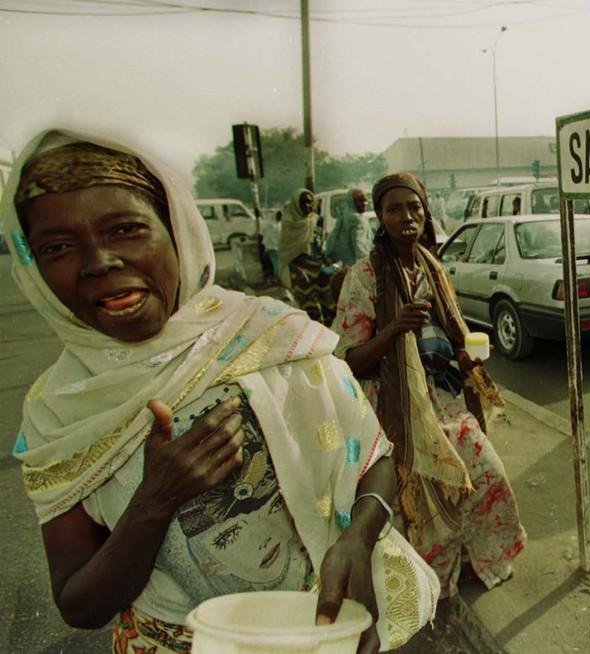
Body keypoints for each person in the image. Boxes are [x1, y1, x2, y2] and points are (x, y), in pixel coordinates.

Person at [3, 130, 439, 654]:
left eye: (125, 229)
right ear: (33, 268)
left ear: (177, 231)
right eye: (57, 247)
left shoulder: (272, 336)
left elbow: (373, 456)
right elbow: (80, 605)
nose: (99, 261)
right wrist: (155, 500)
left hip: (321, 630)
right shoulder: (58, 412)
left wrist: (358, 537)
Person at [332, 172, 526, 599]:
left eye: (413, 206)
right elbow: (345, 359)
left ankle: (477, 560)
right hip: (395, 408)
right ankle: (431, 587)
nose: (406, 216)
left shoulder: (431, 267)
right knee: (424, 505)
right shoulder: (365, 277)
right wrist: (392, 331)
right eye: (394, 209)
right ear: (381, 217)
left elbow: (449, 332)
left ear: (425, 211)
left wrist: (465, 355)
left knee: (486, 475)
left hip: (442, 398)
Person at [279, 188, 339, 325]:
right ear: (296, 204)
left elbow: (319, 245)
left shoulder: (316, 221)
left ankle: (329, 335)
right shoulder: (289, 223)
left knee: (329, 307)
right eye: (303, 203)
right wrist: (297, 271)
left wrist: (328, 264)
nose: (307, 206)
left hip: (320, 270)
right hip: (301, 274)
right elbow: (286, 252)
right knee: (311, 310)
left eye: (310, 202)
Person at [324, 189, 372, 267]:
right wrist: (369, 265)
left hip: (344, 264)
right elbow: (360, 247)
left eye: (365, 200)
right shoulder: (357, 219)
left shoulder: (344, 216)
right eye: (360, 200)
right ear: (351, 202)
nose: (364, 203)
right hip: (356, 266)